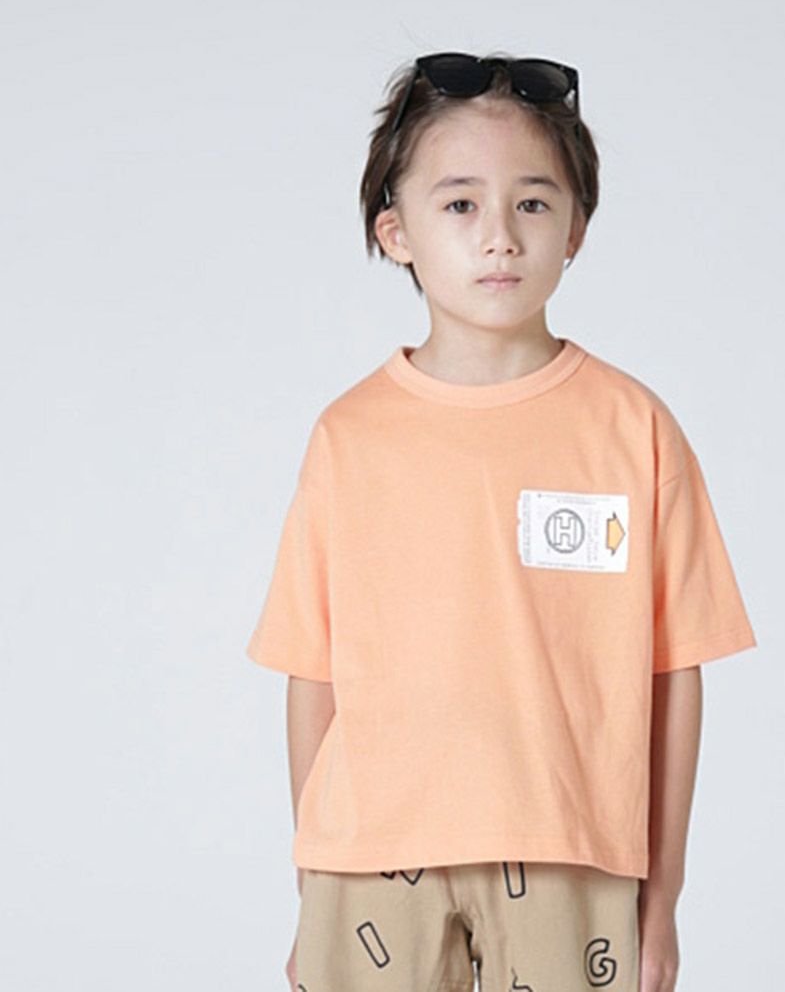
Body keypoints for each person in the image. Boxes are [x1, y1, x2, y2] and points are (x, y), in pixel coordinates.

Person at [246, 50, 757, 992]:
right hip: (372, 856)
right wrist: (315, 879)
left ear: (576, 230)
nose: (500, 238)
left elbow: (675, 673)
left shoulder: (633, 429)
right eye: (459, 204)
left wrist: (664, 894)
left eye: (532, 202)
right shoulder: (349, 437)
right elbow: (311, 672)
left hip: (573, 848)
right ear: (395, 232)